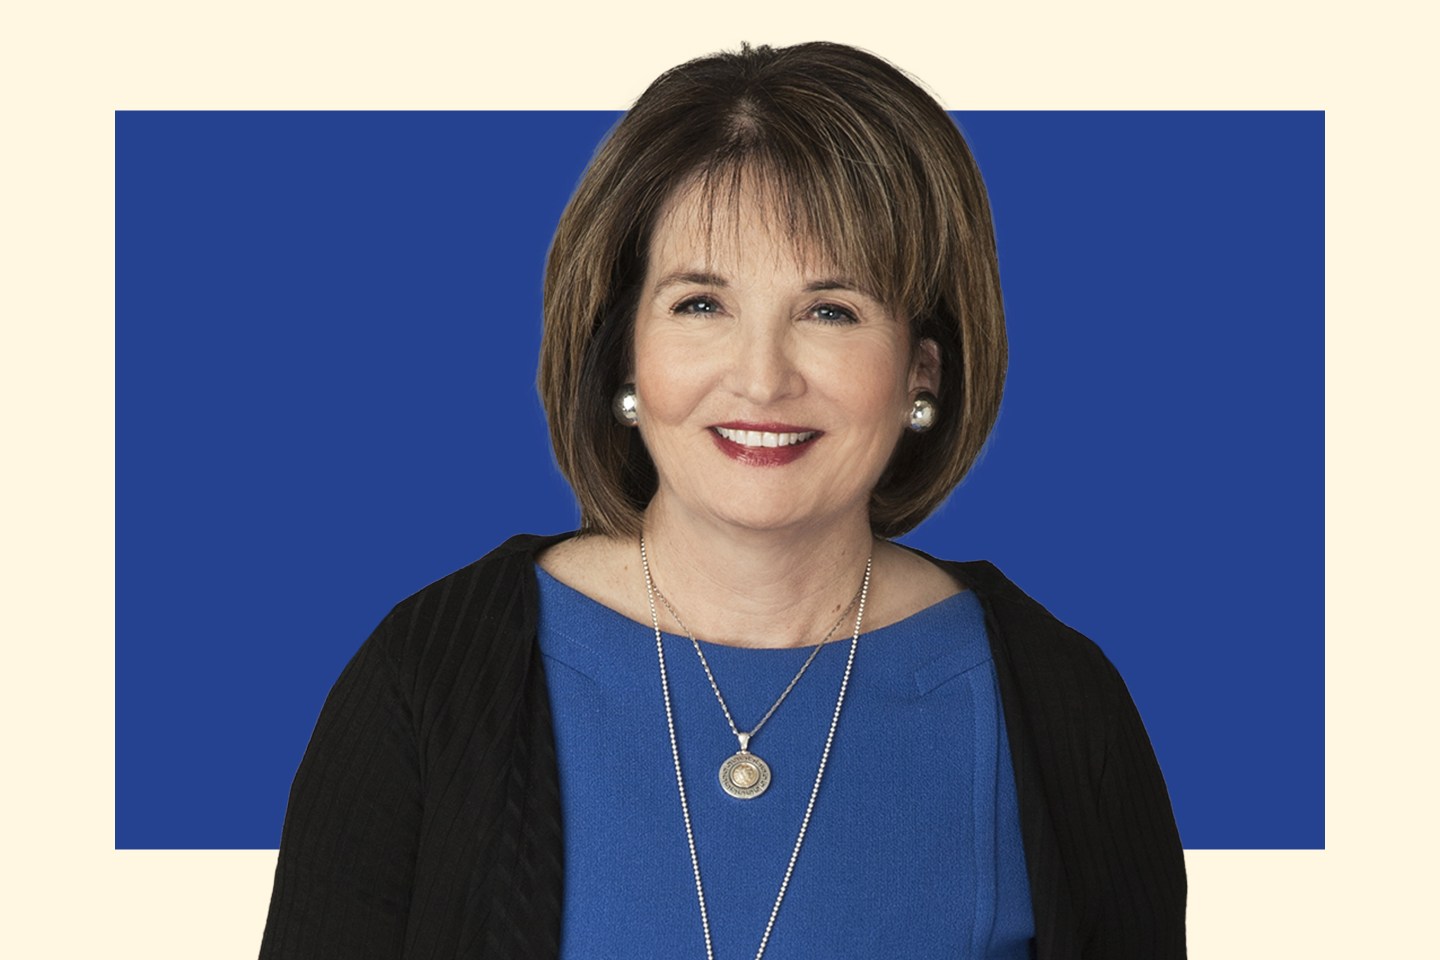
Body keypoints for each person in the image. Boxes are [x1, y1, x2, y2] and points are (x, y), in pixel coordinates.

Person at [258, 41, 1186, 960]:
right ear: (625, 350)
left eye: (831, 310)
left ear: (922, 370)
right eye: (701, 304)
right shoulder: (426, 677)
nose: (761, 378)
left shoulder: (1060, 705)